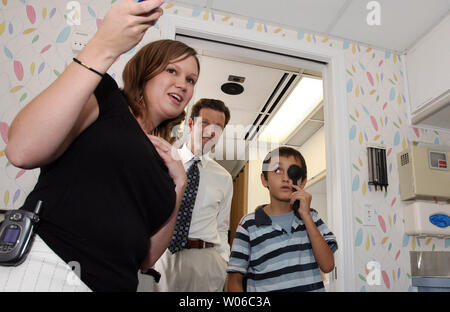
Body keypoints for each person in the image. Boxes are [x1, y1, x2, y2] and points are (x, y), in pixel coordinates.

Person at [4, 0, 200, 292]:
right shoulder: (107, 98)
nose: (183, 84)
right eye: (172, 71)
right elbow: (21, 149)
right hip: (49, 268)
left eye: (191, 79)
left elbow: (146, 258)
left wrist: (179, 184)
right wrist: (103, 46)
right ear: (146, 71)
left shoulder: (165, 162)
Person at [226, 147, 338, 292]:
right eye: (277, 171)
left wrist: (306, 216)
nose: (286, 178)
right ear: (264, 179)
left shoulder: (313, 218)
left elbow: (328, 265)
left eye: (293, 171)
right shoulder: (248, 225)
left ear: (302, 182)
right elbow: (234, 280)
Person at [152, 98, 233, 292]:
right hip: (164, 257)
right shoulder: (164, 161)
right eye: (204, 123)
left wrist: (223, 262)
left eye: (218, 127)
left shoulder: (224, 177)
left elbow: (222, 227)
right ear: (190, 124)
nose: (210, 131)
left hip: (206, 261)